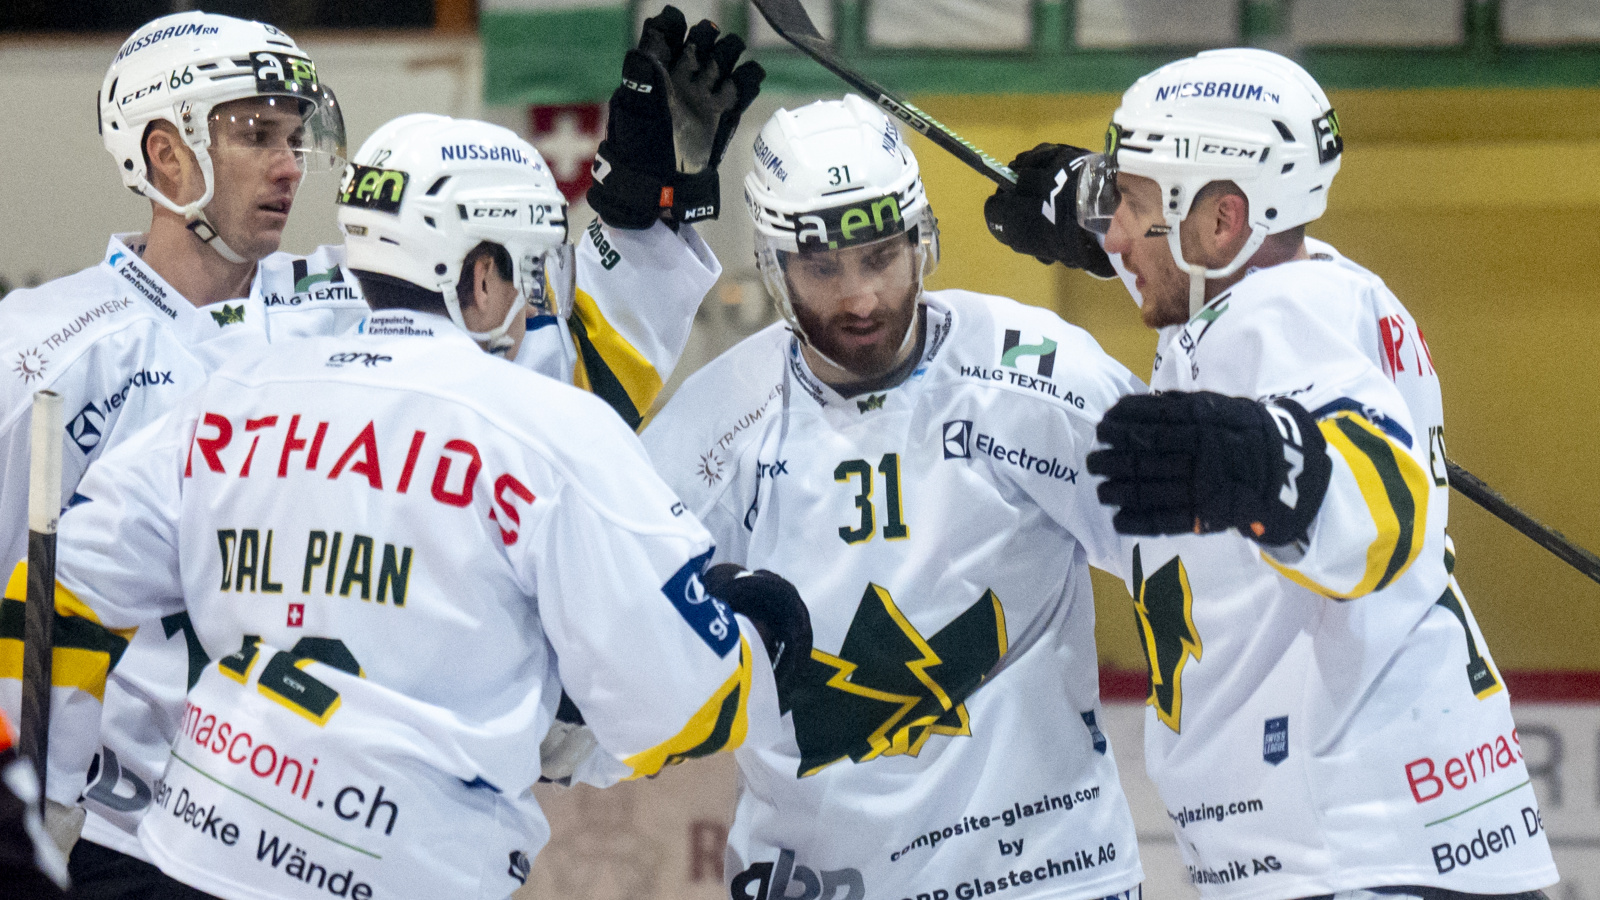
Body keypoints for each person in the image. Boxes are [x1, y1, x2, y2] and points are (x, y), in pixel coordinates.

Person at [0, 7, 762, 896]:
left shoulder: (349, 307)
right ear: (165, 154)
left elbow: (544, 405)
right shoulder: (40, 350)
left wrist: (639, 210)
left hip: (330, 833)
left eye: (294, 135)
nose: (288, 164)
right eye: (254, 135)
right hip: (138, 837)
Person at [983, 48, 1558, 898]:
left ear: (1220, 220)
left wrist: (1269, 463)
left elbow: (1380, 507)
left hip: (1353, 849)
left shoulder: (1283, 317)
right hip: (1388, 836)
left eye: (1131, 205)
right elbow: (1218, 271)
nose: (1110, 236)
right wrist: (1089, 201)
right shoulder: (1316, 288)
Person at [642, 95, 1146, 900]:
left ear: (923, 240)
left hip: (1050, 879)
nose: (861, 299)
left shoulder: (1043, 378)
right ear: (774, 267)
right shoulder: (709, 430)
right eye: (822, 267)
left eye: (880, 256)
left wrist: (1141, 239)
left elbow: (1213, 556)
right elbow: (610, 674)